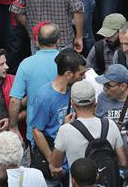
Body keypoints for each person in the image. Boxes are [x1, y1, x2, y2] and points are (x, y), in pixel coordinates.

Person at [31, 50, 87, 184]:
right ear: (68, 74)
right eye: (81, 74)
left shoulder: (74, 90)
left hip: (70, 157)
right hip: (54, 157)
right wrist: (52, 161)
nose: (83, 77)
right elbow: (36, 131)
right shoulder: (45, 96)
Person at [52, 80, 128, 170]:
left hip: (79, 182)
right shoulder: (110, 125)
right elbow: (123, 162)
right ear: (95, 101)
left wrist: (66, 127)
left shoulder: (65, 130)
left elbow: (56, 164)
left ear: (72, 103)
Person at [9, 23, 61, 146]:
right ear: (58, 41)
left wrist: (13, 127)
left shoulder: (26, 64)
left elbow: (14, 100)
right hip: (63, 128)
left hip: (36, 131)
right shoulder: (68, 61)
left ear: (36, 41)